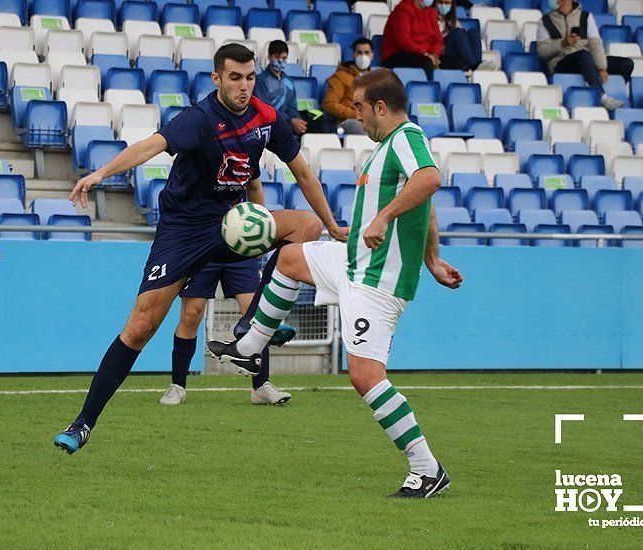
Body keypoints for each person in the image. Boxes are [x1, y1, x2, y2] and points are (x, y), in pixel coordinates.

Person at [53, 44, 348, 455]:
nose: (244, 87)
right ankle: (83, 422)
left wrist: (333, 226)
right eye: (235, 78)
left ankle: (252, 328)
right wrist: (100, 173)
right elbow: (149, 146)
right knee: (140, 327)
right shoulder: (200, 119)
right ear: (217, 78)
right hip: (183, 231)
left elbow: (302, 171)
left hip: (232, 226)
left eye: (249, 78)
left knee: (308, 226)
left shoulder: (266, 119)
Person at [209, 68, 463, 498]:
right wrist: (433, 259)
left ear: (381, 107)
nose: (356, 115)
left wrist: (383, 218)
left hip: (378, 282)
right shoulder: (387, 148)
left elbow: (429, 180)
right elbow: (426, 202)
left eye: (360, 106)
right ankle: (250, 350)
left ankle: (426, 467)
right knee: (289, 258)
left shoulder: (405, 137)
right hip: (353, 262)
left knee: (364, 375)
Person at [161, 256, 296, 406]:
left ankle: (261, 387)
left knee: (257, 315)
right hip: (204, 250)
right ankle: (177, 386)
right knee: (191, 314)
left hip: (239, 251)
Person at [537, 0, 633, 111]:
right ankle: (601, 97)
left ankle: (609, 92)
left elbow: (595, 44)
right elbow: (542, 52)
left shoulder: (585, 17)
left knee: (626, 64)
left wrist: (602, 68)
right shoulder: (544, 22)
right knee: (583, 55)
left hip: (586, 61)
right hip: (562, 64)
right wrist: (562, 44)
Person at [254, 40, 330, 135]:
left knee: (321, 122)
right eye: (277, 57)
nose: (281, 61)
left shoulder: (288, 82)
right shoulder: (261, 80)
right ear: (269, 57)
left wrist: (297, 121)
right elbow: (264, 110)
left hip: (287, 122)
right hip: (269, 123)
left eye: (284, 58)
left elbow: (292, 107)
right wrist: (291, 120)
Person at [380, 0, 443, 79]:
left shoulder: (432, 13)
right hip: (398, 55)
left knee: (454, 63)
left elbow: (438, 39)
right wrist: (425, 54)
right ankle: (429, 90)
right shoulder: (402, 10)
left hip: (425, 56)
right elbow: (403, 40)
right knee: (427, 63)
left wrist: (434, 55)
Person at [323, 38, 375, 135]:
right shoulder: (340, 76)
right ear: (354, 54)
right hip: (347, 121)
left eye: (366, 52)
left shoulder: (377, 79)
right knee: (365, 130)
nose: (363, 56)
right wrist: (356, 114)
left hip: (371, 121)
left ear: (372, 55)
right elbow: (330, 104)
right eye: (359, 52)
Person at [435, 0, 496, 71]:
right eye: (441, 2)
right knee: (457, 32)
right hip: (441, 55)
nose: (443, 5)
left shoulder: (453, 22)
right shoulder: (431, 18)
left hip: (455, 56)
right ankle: (475, 66)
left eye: (447, 3)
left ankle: (477, 64)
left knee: (472, 33)